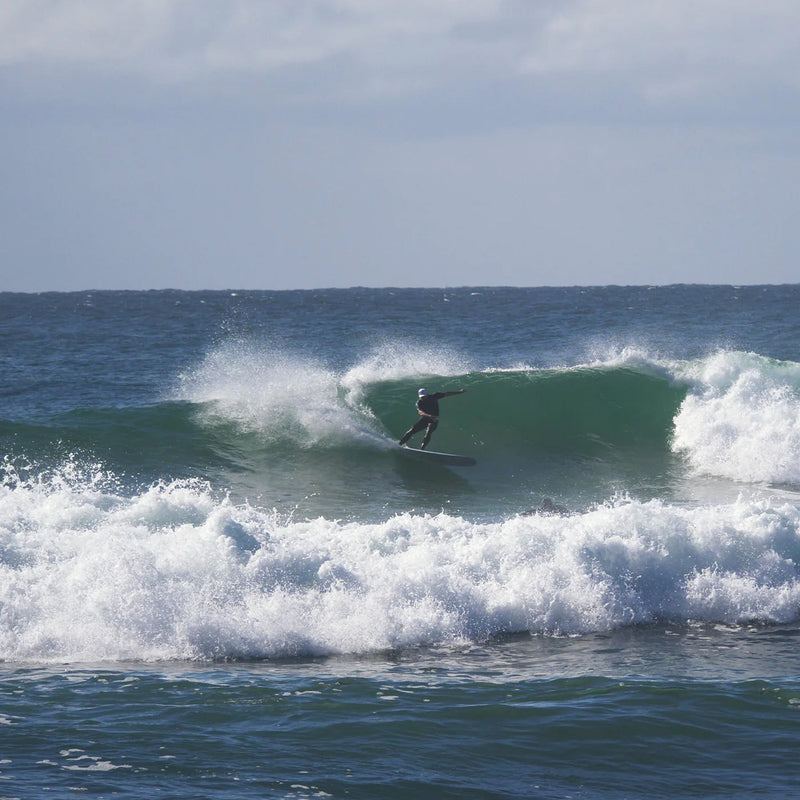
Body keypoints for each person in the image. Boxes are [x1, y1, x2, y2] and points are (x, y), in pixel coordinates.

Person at [398, 387, 467, 450]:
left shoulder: (434, 396)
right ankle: (399, 444)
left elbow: (447, 393)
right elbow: (420, 412)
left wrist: (460, 392)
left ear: (427, 395)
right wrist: (430, 416)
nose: (423, 398)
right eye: (421, 397)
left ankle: (422, 449)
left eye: (424, 397)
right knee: (412, 431)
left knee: (429, 432)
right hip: (424, 419)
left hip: (434, 420)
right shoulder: (419, 403)